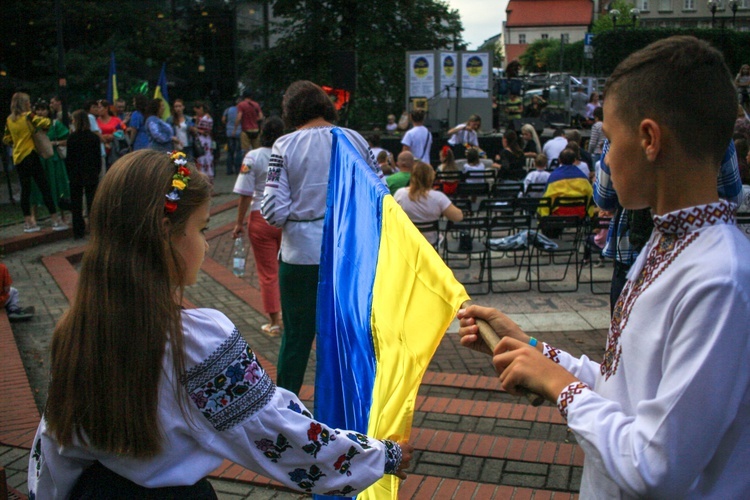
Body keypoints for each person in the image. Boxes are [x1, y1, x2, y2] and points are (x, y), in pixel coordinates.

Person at [459, 36, 750, 498]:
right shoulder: (666, 242)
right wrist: (533, 350)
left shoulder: (720, 278)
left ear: (650, 140)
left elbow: (655, 466)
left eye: (611, 141)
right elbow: (626, 391)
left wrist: (557, 385)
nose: (606, 160)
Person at [29, 149, 412, 498]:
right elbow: (281, 436)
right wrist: (382, 455)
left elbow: (55, 444)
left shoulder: (77, 330)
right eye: (199, 229)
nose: (205, 243)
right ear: (166, 234)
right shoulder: (197, 341)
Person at [262, 80, 384, 395]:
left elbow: (273, 210)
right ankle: (357, 407)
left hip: (301, 256)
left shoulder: (284, 146)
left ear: (290, 111)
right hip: (350, 255)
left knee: (296, 340)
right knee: (351, 336)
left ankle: (286, 410)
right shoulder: (355, 140)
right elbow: (381, 196)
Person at [232, 117, 285, 336]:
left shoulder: (252, 157)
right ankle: (289, 315)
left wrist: (238, 222)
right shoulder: (287, 155)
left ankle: (274, 321)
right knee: (287, 268)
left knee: (267, 273)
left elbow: (245, 193)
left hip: (259, 216)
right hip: (285, 217)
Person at [2, 92, 68, 232]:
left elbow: (6, 139)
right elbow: (46, 122)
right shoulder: (28, 117)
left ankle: (28, 222)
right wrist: (32, 117)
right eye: (28, 102)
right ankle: (55, 219)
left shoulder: (9, 119)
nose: (30, 104)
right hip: (31, 154)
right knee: (44, 186)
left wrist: (17, 140)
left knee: (25, 190)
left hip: (18, 157)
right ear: (24, 104)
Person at [394, 161, 463, 246]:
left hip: (407, 243)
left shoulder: (400, 194)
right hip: (429, 244)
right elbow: (458, 217)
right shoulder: (438, 197)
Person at [29, 99, 71, 215]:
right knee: (35, 187)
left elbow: (67, 139)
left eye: (43, 109)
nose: (40, 112)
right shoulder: (32, 125)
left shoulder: (55, 124)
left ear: (48, 111)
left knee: (58, 185)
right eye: (38, 109)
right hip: (38, 158)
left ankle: (61, 214)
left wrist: (54, 143)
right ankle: (33, 216)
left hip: (54, 159)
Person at [65, 110, 102, 239]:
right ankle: (94, 229)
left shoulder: (72, 138)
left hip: (76, 174)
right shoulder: (94, 138)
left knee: (76, 204)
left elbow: (68, 159)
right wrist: (96, 172)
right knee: (92, 203)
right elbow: (97, 157)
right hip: (91, 173)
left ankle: (78, 231)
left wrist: (70, 173)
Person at [538, 147, 594, 219]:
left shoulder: (553, 177)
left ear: (559, 160)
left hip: (558, 213)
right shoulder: (583, 177)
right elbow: (590, 195)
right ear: (574, 160)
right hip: (579, 213)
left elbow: (546, 197)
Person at [193, 101, 215, 182]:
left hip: (204, 142)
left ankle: (206, 180)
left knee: (204, 160)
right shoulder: (203, 118)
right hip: (204, 141)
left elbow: (206, 132)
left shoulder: (205, 119)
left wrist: (196, 129)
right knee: (205, 160)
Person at [236, 89, 264, 154]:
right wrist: (255, 119)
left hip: (246, 130)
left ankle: (247, 163)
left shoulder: (241, 105)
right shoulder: (256, 104)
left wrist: (235, 129)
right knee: (257, 151)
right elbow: (261, 117)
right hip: (256, 130)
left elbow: (239, 117)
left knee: (245, 152)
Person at [222, 98, 243, 175]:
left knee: (230, 152)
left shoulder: (228, 110)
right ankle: (238, 169)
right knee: (239, 151)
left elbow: (223, 119)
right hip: (239, 131)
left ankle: (229, 170)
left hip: (229, 132)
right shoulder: (241, 110)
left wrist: (228, 124)